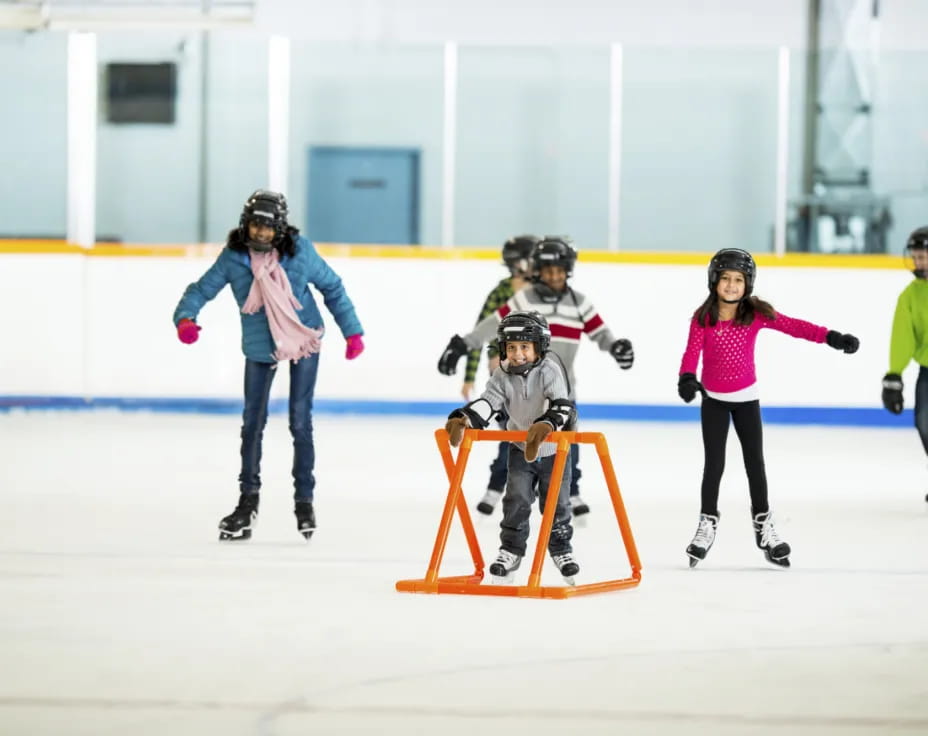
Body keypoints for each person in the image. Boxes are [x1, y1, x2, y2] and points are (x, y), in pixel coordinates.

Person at [172, 189, 365, 541]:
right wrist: (186, 318)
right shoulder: (234, 258)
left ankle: (304, 501)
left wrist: (352, 332)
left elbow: (333, 288)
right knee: (252, 423)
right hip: (261, 347)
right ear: (246, 225)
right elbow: (201, 290)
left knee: (299, 421)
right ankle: (248, 503)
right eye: (255, 226)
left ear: (280, 229)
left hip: (302, 339)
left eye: (267, 227)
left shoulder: (301, 253)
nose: (260, 234)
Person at [677, 248, 859, 568]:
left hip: (746, 399)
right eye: (726, 279)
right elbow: (691, 353)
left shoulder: (755, 314)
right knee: (714, 465)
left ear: (748, 284)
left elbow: (794, 326)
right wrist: (687, 378)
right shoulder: (702, 318)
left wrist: (831, 337)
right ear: (713, 281)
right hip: (714, 402)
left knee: (755, 464)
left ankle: (763, 526)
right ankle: (707, 522)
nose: (732, 286)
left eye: (739, 280)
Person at [438, 236, 634, 518]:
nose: (553, 277)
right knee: (516, 438)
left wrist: (616, 347)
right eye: (547, 270)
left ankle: (571, 489)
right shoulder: (525, 299)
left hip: (563, 392)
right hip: (524, 390)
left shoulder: (579, 303)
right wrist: (462, 344)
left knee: (569, 442)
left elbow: (600, 332)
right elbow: (493, 324)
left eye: (559, 270)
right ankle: (509, 487)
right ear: (537, 270)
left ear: (568, 270)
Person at [444, 311, 580, 584]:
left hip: (555, 451)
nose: (517, 354)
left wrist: (545, 426)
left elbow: (562, 405)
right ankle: (511, 550)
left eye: (524, 347)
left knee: (557, 504)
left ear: (539, 347)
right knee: (516, 500)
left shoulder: (550, 369)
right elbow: (489, 401)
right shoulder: (502, 374)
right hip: (520, 448)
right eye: (511, 347)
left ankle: (561, 549)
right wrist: (465, 418)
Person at [462, 235, 538, 516]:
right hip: (505, 378)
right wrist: (469, 376)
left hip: (538, 379)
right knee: (512, 436)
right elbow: (479, 330)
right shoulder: (501, 293)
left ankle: (526, 491)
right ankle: (496, 489)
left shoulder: (542, 293)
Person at [881, 226, 928, 503]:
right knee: (924, 423)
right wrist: (894, 375)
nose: (918, 262)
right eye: (916, 257)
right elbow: (902, 337)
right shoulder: (909, 296)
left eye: (923, 256)